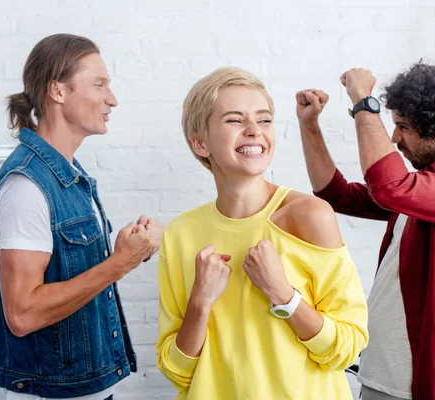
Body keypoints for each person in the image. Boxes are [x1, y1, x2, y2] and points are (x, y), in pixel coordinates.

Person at [296, 62, 435, 400]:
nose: (394, 138)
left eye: (403, 127)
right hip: (380, 374)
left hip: (420, 383)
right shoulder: (426, 185)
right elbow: (335, 194)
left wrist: (363, 103)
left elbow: (388, 185)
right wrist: (309, 126)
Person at [155, 67, 368, 400]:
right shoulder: (181, 234)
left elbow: (347, 347)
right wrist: (200, 302)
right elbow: (177, 371)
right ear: (200, 142)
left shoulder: (309, 216)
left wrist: (284, 295)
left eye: (264, 120)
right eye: (235, 120)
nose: (254, 131)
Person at [0, 33, 163, 400]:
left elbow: (71, 274)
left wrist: (127, 251)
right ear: (58, 91)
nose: (112, 98)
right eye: (99, 84)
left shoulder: (69, 175)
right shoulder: (27, 187)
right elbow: (22, 314)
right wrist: (119, 263)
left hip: (85, 389)